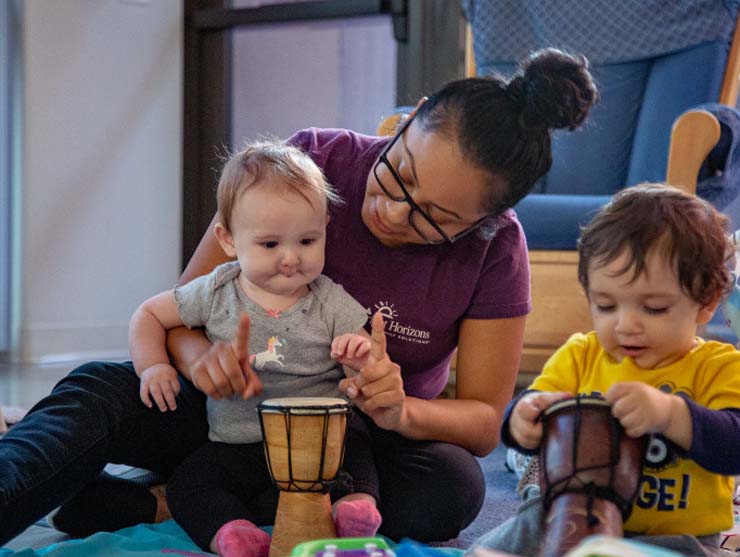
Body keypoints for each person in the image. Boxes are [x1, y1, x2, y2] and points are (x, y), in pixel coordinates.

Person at [0, 47, 597, 545]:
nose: (391, 212)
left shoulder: (496, 250)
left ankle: (170, 500)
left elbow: (482, 423)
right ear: (410, 119)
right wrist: (197, 362)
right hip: (224, 414)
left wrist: (401, 410)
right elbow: (184, 307)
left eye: (431, 220)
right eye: (399, 174)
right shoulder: (311, 160)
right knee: (99, 392)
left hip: (349, 447)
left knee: (450, 487)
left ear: (483, 222)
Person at [127, 140, 382, 557]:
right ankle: (232, 533)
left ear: (324, 230)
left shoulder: (329, 298)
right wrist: (153, 366)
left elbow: (367, 351)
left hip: (319, 448)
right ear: (228, 240)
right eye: (270, 245)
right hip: (239, 442)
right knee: (190, 484)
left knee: (359, 450)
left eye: (306, 241)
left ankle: (357, 507)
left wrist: (358, 352)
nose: (290, 259)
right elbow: (148, 315)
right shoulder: (217, 290)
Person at [468, 184, 740, 557]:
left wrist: (671, 414)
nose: (627, 325)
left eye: (655, 308)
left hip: (675, 539)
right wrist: (522, 419)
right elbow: (526, 406)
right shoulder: (582, 354)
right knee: (523, 525)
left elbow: (734, 444)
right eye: (607, 306)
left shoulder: (718, 367)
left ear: (706, 303)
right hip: (569, 518)